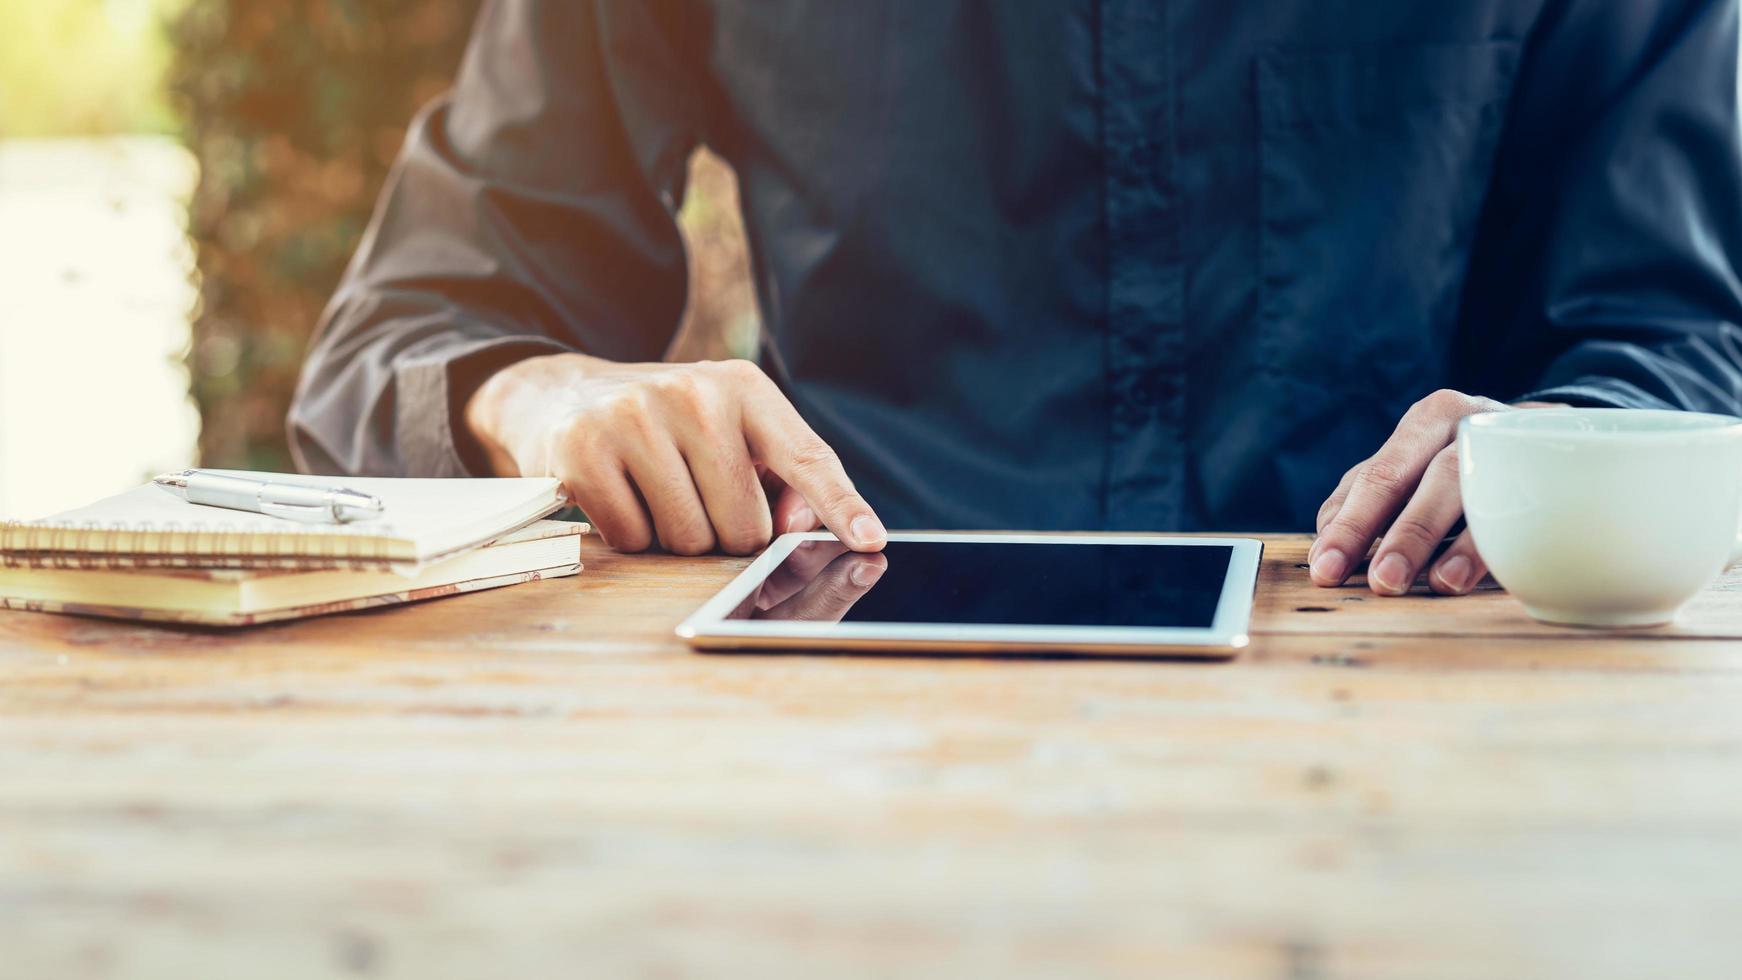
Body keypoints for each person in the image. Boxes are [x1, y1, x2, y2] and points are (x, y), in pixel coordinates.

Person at [290, 0, 1742, 599]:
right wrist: (538, 393)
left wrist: (1570, 446)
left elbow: (1684, 334)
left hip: (1430, 702)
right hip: (840, 709)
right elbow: (405, 335)